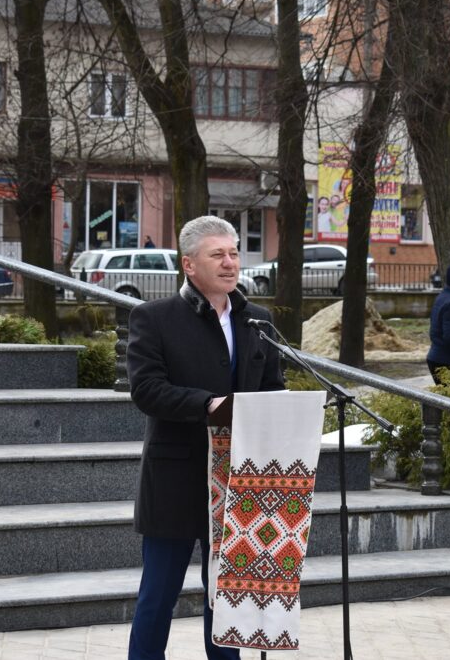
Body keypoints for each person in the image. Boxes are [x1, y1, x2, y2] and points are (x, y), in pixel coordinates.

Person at [125, 215, 284, 659]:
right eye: (218, 254)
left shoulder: (258, 321)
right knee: (158, 597)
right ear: (189, 264)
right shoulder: (153, 318)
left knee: (227, 598)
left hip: (239, 482)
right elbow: (146, 389)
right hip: (175, 482)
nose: (230, 263)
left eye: (234, 253)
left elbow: (272, 388)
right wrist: (207, 404)